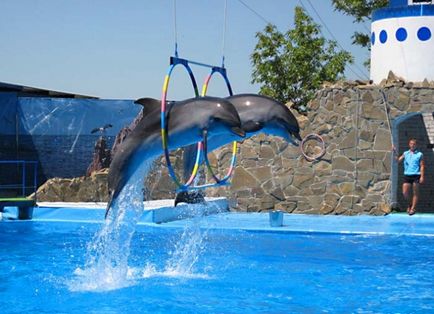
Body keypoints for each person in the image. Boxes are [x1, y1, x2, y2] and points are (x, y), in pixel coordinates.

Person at [393, 138, 425, 215]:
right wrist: (394, 152)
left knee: (415, 193)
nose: (412, 145)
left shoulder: (420, 154)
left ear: (416, 145)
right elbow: (398, 160)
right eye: (411, 144)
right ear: (409, 144)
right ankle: (410, 204)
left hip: (416, 175)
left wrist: (422, 176)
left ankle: (413, 208)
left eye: (414, 144)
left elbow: (422, 166)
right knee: (405, 192)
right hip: (407, 175)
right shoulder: (405, 153)